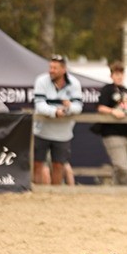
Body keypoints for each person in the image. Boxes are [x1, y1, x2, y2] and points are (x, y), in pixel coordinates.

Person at [33, 54, 84, 185]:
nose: (51, 70)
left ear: (64, 69)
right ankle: (36, 192)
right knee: (37, 164)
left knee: (59, 165)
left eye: (55, 68)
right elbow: (39, 105)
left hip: (63, 134)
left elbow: (78, 107)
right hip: (41, 131)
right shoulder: (41, 81)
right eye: (50, 67)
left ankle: (55, 193)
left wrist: (68, 108)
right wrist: (55, 112)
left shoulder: (75, 83)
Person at [95, 61, 127, 185]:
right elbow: (100, 107)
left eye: (121, 74)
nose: (119, 77)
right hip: (112, 132)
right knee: (122, 166)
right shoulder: (107, 89)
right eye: (116, 74)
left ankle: (118, 191)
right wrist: (113, 111)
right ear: (111, 75)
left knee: (121, 167)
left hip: (126, 133)